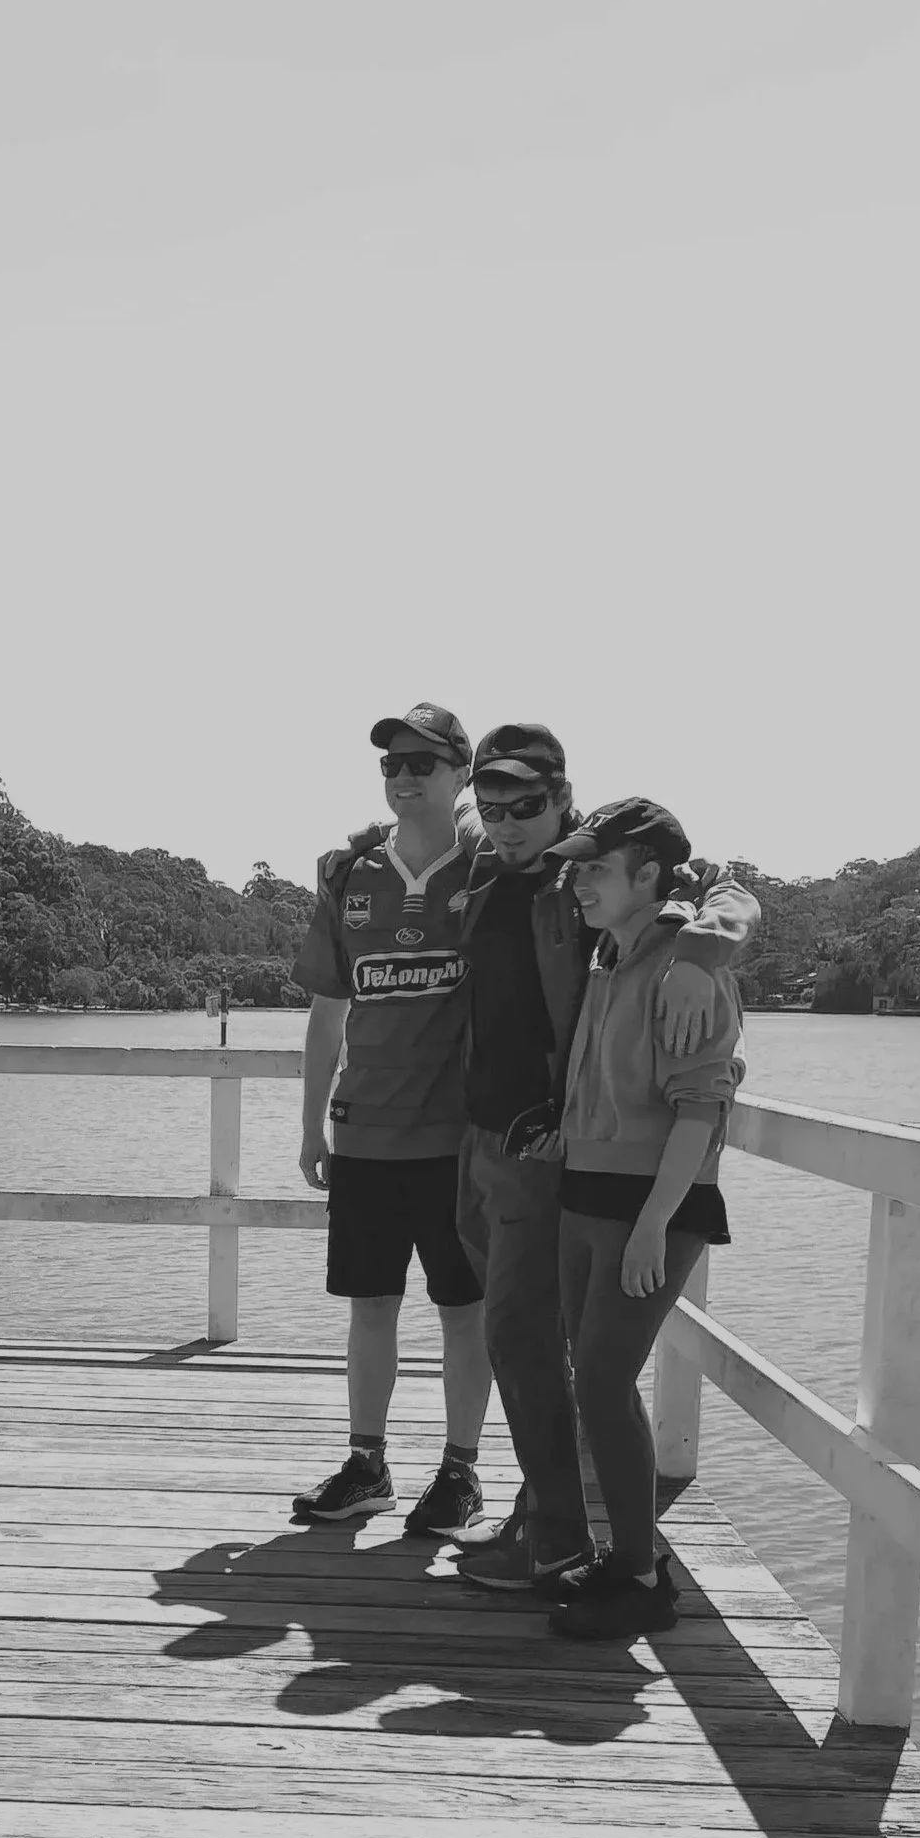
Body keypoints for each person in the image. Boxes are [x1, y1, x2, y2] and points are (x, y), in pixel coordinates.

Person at [450, 726, 758, 1592]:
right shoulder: (492, 866)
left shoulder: (597, 869)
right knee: (524, 1344)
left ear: (560, 796)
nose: (507, 820)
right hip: (488, 1140)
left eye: (526, 804)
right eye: (491, 803)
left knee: (528, 1342)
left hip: (562, 1165)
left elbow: (725, 888)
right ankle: (544, 1525)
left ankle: (560, 1540)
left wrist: (702, 951)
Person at [535, 797, 746, 1642]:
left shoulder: (685, 968)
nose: (577, 881)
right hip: (585, 1191)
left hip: (647, 1207)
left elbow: (699, 1109)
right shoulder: (606, 957)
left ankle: (642, 1573)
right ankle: (623, 1555)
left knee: (602, 1378)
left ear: (648, 876)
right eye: (576, 867)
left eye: (595, 868)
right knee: (591, 1378)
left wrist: (656, 1225)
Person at [290, 702, 492, 1534]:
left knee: (462, 1310)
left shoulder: (492, 865)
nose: (403, 777)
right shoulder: (350, 874)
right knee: (369, 1305)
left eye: (421, 762)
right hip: (364, 1134)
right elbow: (325, 1012)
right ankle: (367, 1463)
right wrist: (309, 1129)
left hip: (457, 1140)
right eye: (390, 765)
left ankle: (460, 1472)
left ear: (459, 771)